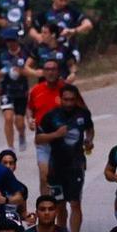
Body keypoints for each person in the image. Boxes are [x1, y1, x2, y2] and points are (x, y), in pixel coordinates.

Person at [36, 81, 95, 232]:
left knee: (75, 203)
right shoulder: (51, 116)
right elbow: (38, 139)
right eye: (66, 100)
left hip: (76, 164)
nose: (69, 103)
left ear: (76, 99)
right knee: (60, 205)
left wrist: (89, 140)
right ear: (60, 99)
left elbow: (90, 129)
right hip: (56, 166)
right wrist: (55, 135)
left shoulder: (83, 114)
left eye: (72, 100)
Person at [28, 58, 65, 187]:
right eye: (47, 69)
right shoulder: (36, 90)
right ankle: (45, 200)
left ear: (58, 71)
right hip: (43, 140)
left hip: (63, 142)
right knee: (44, 176)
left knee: (61, 178)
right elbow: (30, 109)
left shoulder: (66, 90)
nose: (50, 72)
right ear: (43, 72)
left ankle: (61, 199)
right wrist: (30, 120)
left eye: (53, 69)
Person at [0, 34, 32, 150]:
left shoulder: (25, 53)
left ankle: (21, 134)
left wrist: (22, 71)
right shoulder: (2, 55)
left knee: (19, 122)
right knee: (8, 118)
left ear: (17, 40)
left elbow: (30, 70)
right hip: (6, 91)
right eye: (8, 41)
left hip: (21, 91)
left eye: (12, 40)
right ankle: (10, 147)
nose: (10, 43)